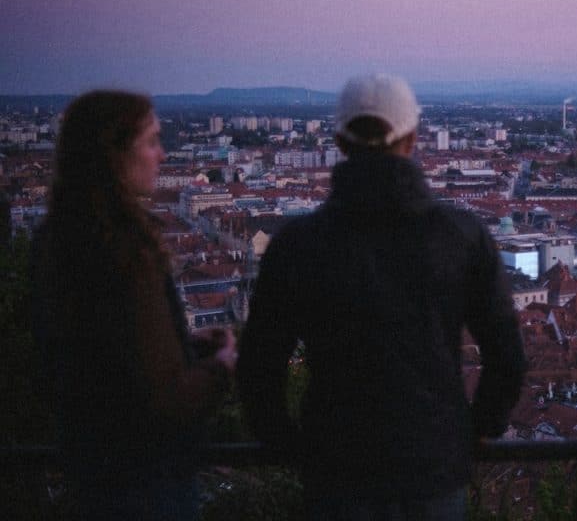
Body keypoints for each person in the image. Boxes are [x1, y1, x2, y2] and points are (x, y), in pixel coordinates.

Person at [238, 75, 526, 520]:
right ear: (412, 140)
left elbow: (259, 366)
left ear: (338, 141)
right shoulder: (461, 236)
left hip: (335, 470)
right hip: (432, 468)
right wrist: (475, 434)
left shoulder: (297, 244)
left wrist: (288, 446)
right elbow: (507, 357)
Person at [31, 91, 236, 520]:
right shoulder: (127, 249)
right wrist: (222, 364)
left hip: (89, 469)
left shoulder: (54, 240)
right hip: (149, 479)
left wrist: (182, 344)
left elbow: (103, 360)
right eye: (151, 141)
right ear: (115, 154)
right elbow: (165, 401)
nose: (162, 155)